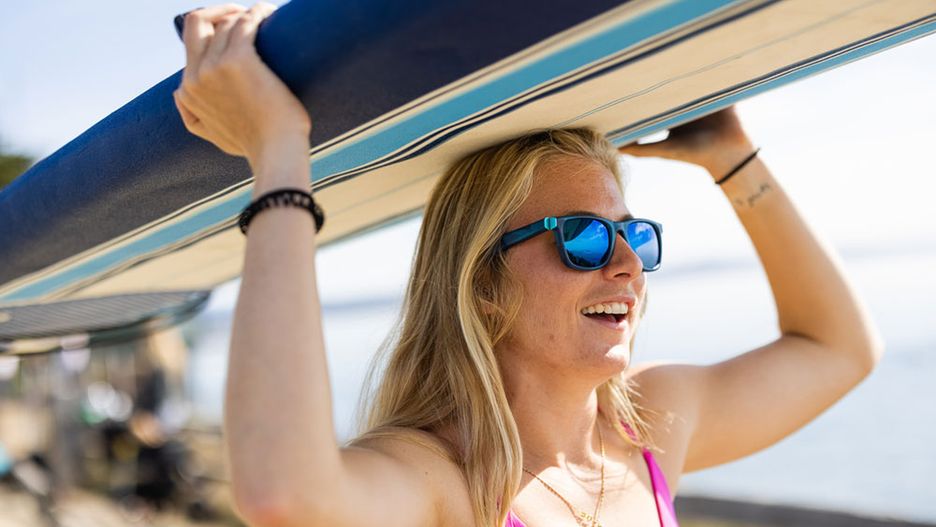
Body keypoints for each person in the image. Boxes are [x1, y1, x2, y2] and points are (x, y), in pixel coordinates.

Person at [173, 4, 884, 527]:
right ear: (482, 283)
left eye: (634, 235)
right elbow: (284, 494)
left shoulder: (652, 426)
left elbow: (840, 349)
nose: (628, 265)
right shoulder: (440, 480)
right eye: (583, 239)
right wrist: (279, 155)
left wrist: (734, 159)